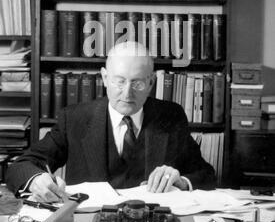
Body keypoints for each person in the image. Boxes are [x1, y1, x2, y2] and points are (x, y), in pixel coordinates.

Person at [6, 41, 216, 202]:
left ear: (151, 82)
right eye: (120, 81)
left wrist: (180, 181)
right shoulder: (75, 119)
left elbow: (206, 175)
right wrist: (36, 180)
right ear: (105, 78)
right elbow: (21, 166)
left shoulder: (171, 115)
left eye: (138, 83)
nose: (127, 93)